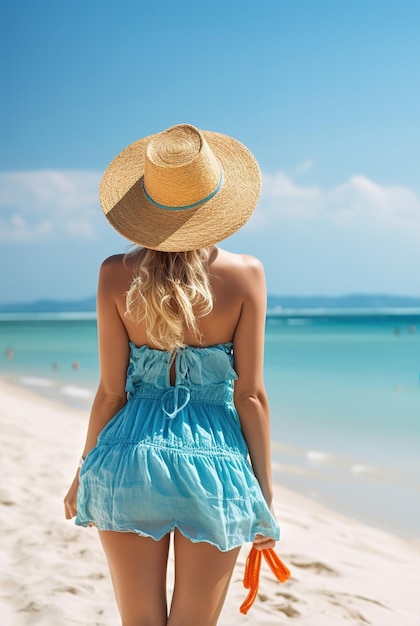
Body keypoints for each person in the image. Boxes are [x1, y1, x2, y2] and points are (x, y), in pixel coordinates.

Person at [64, 123, 281, 626]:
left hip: (127, 456)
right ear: (216, 201)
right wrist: (264, 492)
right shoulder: (247, 274)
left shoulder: (114, 273)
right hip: (215, 462)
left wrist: (82, 470)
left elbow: (110, 394)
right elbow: (251, 396)